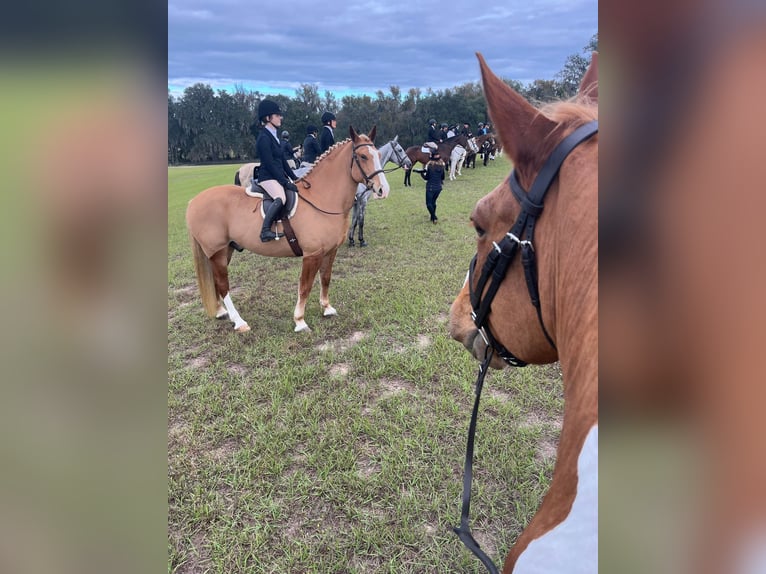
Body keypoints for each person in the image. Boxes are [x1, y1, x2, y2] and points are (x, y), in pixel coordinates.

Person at [250, 99, 299, 242]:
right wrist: (284, 182)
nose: (280, 118)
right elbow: (270, 164)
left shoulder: (274, 136)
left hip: (275, 175)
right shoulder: (263, 138)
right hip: (267, 177)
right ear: (268, 118)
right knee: (281, 197)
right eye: (277, 115)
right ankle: (265, 231)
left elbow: (282, 161)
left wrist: (294, 177)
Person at [419, 150, 445, 224]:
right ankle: (432, 217)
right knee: (433, 202)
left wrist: (421, 173)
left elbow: (426, 178)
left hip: (430, 187)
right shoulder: (442, 166)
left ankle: (434, 217)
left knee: (429, 204)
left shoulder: (430, 167)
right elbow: (442, 177)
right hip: (439, 188)